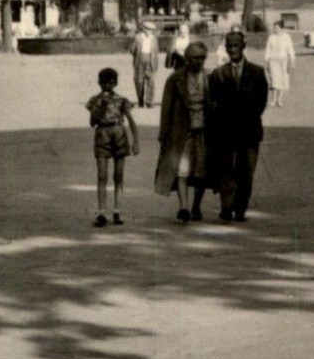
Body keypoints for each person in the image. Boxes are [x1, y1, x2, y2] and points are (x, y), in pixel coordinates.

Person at [207, 28, 269, 222]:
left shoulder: (257, 72)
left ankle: (240, 209)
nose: (232, 49)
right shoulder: (218, 74)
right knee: (225, 170)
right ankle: (226, 207)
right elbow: (213, 103)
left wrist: (245, 118)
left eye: (235, 46)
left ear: (243, 46)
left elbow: (261, 101)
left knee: (246, 172)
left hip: (249, 131)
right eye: (228, 46)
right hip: (225, 132)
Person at [154, 40, 216, 221]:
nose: (199, 61)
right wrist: (163, 134)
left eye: (202, 58)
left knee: (202, 172)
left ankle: (196, 205)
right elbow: (166, 108)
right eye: (196, 58)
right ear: (188, 58)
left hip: (204, 131)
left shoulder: (210, 77)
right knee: (182, 170)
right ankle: (184, 208)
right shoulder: (175, 79)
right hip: (183, 131)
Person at [86, 67, 139, 227]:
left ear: (115, 83)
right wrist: (100, 106)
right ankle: (101, 211)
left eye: (111, 82)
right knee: (102, 175)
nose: (108, 85)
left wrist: (136, 140)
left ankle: (117, 210)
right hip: (102, 133)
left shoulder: (122, 100)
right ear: (99, 83)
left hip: (119, 133)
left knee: (118, 175)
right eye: (104, 82)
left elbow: (130, 120)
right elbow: (92, 122)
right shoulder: (95, 100)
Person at [264, 20, 295, 108]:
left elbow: (290, 49)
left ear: (281, 28)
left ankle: (279, 100)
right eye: (274, 28)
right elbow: (268, 49)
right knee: (274, 80)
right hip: (273, 61)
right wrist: (266, 60)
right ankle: (273, 100)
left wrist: (292, 60)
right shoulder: (271, 37)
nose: (275, 29)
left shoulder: (286, 37)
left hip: (283, 61)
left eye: (277, 27)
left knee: (282, 80)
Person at [130, 20, 158, 108]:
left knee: (151, 82)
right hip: (140, 60)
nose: (149, 32)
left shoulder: (154, 39)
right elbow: (132, 49)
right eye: (148, 29)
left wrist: (155, 63)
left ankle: (149, 102)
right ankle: (140, 100)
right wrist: (138, 57)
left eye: (151, 30)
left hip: (150, 60)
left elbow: (156, 51)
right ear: (144, 29)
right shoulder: (138, 37)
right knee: (139, 81)